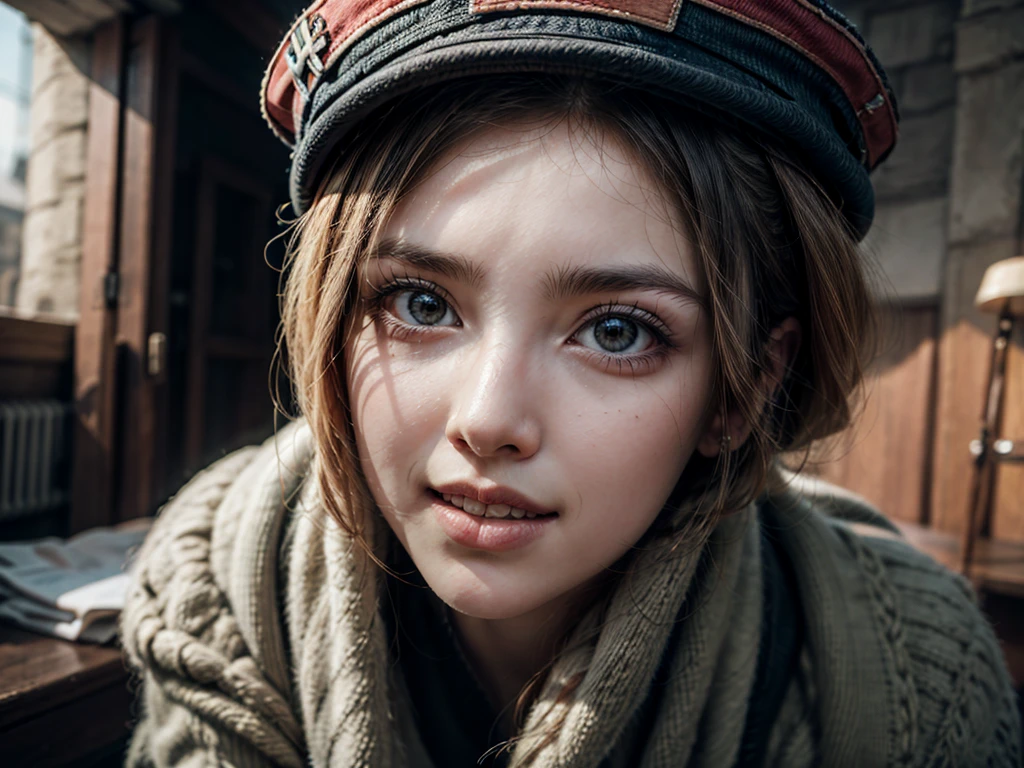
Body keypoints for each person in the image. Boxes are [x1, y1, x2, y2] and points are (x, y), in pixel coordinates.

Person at [119, 1, 1022, 766]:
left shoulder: (917, 683)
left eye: (617, 331)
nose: (488, 420)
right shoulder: (217, 592)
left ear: (743, 388)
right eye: (421, 303)